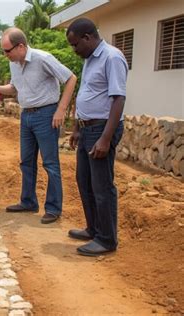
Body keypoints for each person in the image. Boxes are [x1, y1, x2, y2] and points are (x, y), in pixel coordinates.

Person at [0, 27, 77, 224]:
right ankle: (28, 201)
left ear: (21, 47)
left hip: (46, 115)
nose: (4, 55)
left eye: (7, 51)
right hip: (26, 116)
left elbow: (70, 78)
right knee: (26, 162)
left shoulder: (43, 58)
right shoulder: (14, 64)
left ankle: (53, 208)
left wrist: (61, 110)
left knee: (50, 163)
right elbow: (15, 88)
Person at [66, 18, 128, 256]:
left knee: (102, 186)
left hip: (102, 129)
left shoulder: (112, 57)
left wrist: (105, 138)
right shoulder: (90, 59)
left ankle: (107, 239)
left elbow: (118, 98)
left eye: (75, 44)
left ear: (87, 38)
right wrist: (77, 128)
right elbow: (87, 94)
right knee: (84, 181)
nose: (74, 49)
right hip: (87, 129)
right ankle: (93, 228)